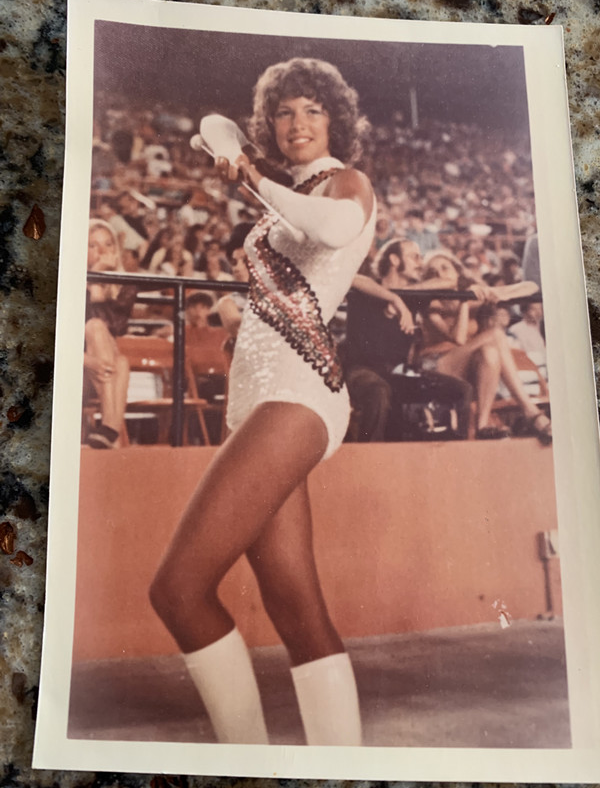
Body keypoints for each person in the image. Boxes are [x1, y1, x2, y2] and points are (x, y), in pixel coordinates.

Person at [149, 58, 375, 747]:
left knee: (178, 591)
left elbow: (332, 234)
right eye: (284, 112)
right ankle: (341, 763)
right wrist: (238, 156)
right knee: (298, 612)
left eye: (311, 110)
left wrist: (254, 177)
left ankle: (243, 759)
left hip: (298, 395)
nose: (297, 123)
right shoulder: (281, 185)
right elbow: (211, 126)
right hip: (255, 400)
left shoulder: (346, 184)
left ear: (333, 119)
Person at [345, 238, 473, 441]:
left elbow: (449, 282)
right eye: (414, 257)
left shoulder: (414, 296)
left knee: (461, 390)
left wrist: (403, 298)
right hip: (361, 370)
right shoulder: (367, 289)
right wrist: (394, 299)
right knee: (379, 392)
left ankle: (457, 455)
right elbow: (352, 278)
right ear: (394, 260)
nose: (420, 263)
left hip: (397, 372)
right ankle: (368, 458)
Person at [418, 251, 552, 443]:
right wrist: (465, 300)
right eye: (432, 271)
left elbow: (531, 287)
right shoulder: (430, 302)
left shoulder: (473, 295)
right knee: (496, 334)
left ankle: (482, 425)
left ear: (457, 272)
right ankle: (530, 411)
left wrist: (495, 293)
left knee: (490, 353)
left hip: (467, 367)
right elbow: (459, 339)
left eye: (444, 267)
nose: (439, 273)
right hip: (437, 365)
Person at [84, 220, 136, 448]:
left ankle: (109, 429)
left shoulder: (125, 286)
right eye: (93, 245)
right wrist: (93, 278)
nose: (102, 251)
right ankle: (112, 429)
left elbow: (115, 327)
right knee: (94, 327)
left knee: (122, 361)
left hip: (102, 369)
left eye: (108, 244)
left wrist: (103, 285)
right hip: (70, 369)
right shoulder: (64, 282)